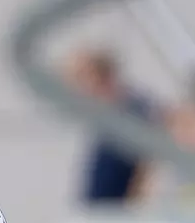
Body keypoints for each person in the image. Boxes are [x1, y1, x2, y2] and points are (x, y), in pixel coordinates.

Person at [67, 49, 156, 205]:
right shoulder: (105, 115)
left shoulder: (131, 109)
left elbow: (146, 163)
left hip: (120, 213)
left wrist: (134, 208)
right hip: (100, 211)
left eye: (81, 78)